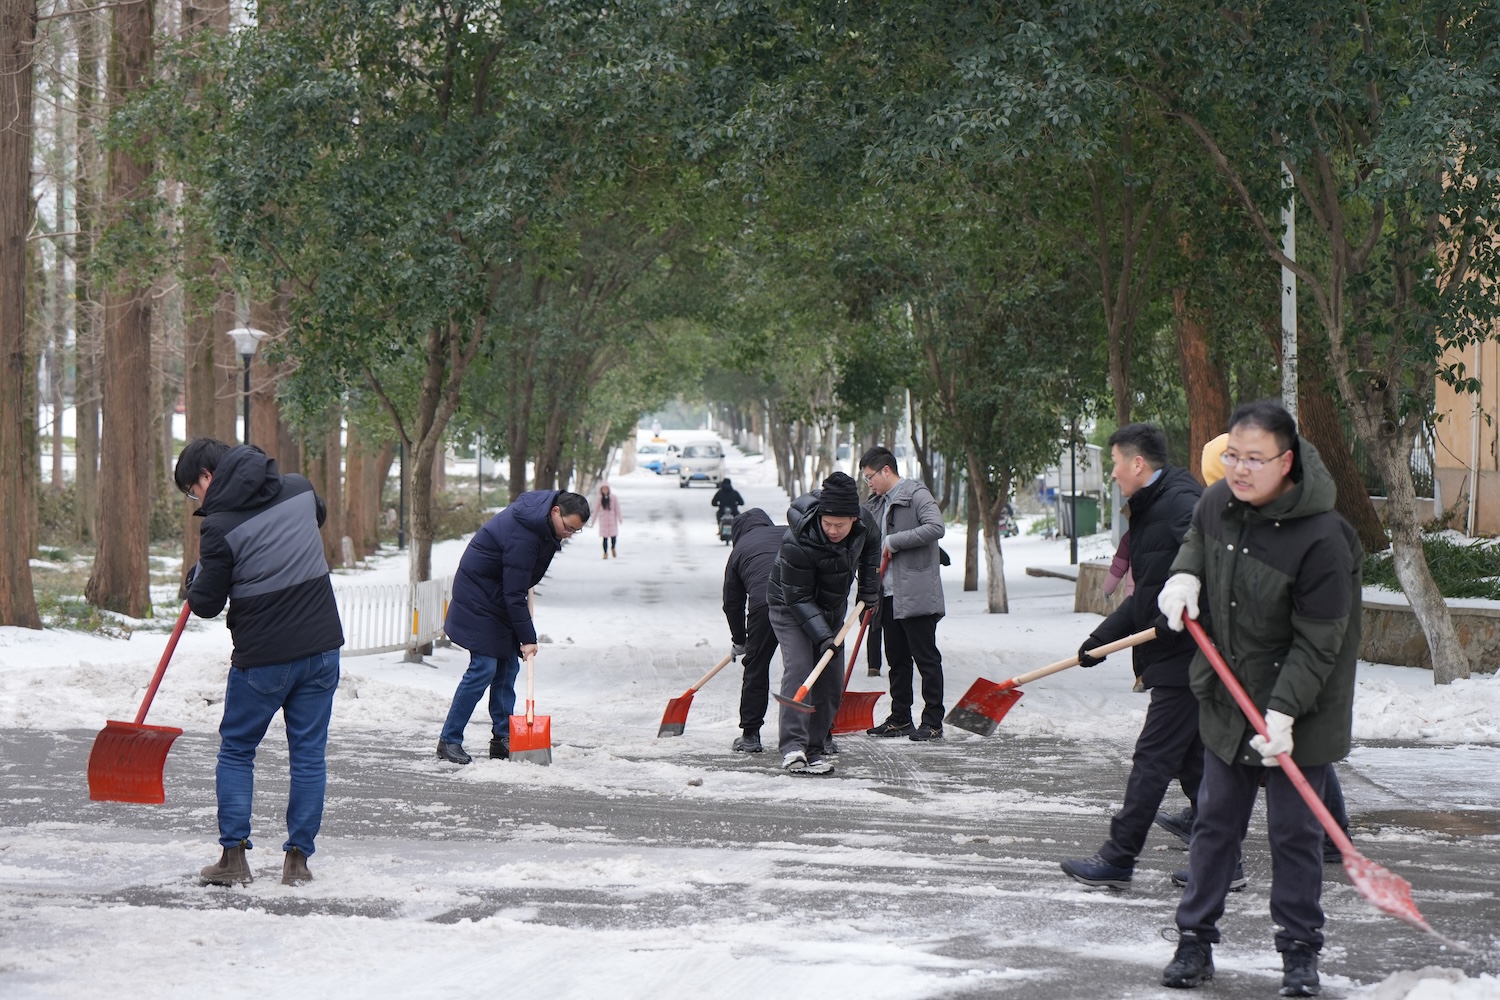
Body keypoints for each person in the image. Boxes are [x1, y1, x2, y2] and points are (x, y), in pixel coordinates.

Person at [1157, 400, 1361, 996]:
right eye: (1233, 457)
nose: (1239, 470)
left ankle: (1300, 953)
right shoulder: (1219, 502)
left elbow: (1321, 641)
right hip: (1229, 695)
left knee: (1295, 836)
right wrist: (1184, 575)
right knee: (1214, 825)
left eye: (1254, 459)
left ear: (1287, 461)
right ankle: (1194, 942)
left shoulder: (1325, 539)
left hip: (1306, 706)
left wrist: (1285, 712)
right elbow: (1197, 536)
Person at [176, 438, 344, 888]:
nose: (198, 501)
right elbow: (316, 518)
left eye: (194, 491)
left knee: (237, 750)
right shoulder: (300, 489)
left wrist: (197, 578)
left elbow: (207, 603)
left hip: (264, 660)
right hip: (322, 650)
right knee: (308, 756)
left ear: (207, 478)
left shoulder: (219, 527)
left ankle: (233, 858)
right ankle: (298, 861)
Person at [1059, 424, 1208, 890]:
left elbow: (1210, 572)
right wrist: (1099, 640)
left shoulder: (1180, 506)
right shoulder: (1153, 509)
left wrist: (1181, 610)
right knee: (1193, 763)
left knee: (1153, 760)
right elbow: (1147, 594)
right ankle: (1221, 861)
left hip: (1187, 655)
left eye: (1116, 464)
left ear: (1137, 464)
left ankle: (1119, 857)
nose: (1114, 475)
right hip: (1171, 652)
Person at [436, 490, 591, 765]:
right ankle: (449, 740)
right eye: (568, 528)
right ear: (555, 511)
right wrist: (527, 638)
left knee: (508, 668)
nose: (568, 534)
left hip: (498, 596)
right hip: (479, 598)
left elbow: (519, 584)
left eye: (574, 532)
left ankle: (503, 739)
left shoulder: (542, 526)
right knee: (483, 667)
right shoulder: (525, 535)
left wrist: (522, 630)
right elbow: (514, 591)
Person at [767, 472, 880, 774]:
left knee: (830, 678)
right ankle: (793, 747)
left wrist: (870, 588)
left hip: (830, 609)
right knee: (802, 667)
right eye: (827, 523)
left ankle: (814, 748)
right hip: (789, 606)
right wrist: (822, 637)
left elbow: (871, 552)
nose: (832, 530)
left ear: (854, 520)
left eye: (839, 525)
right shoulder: (799, 538)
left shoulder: (866, 525)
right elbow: (798, 597)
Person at [859, 446, 948, 741]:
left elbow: (936, 527)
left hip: (917, 592)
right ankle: (900, 718)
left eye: (871, 476)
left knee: (926, 659)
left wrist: (895, 541)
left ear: (887, 470)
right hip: (888, 594)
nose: (868, 483)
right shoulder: (875, 504)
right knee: (896, 659)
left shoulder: (916, 495)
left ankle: (933, 721)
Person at [722, 507, 785, 753]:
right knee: (809, 665)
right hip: (804, 602)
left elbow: (732, 603)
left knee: (756, 666)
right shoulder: (787, 533)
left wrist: (740, 640)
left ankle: (750, 735)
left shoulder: (739, 549)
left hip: (765, 605)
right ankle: (822, 734)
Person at [595, 482, 622, 559]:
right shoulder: (599, 499)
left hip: (612, 521)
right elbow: (596, 510)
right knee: (605, 538)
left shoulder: (613, 498)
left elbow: (617, 509)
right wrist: (592, 521)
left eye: (606, 488)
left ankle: (613, 548)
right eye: (603, 489)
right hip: (604, 522)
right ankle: (605, 553)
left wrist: (620, 518)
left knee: (613, 537)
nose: (605, 490)